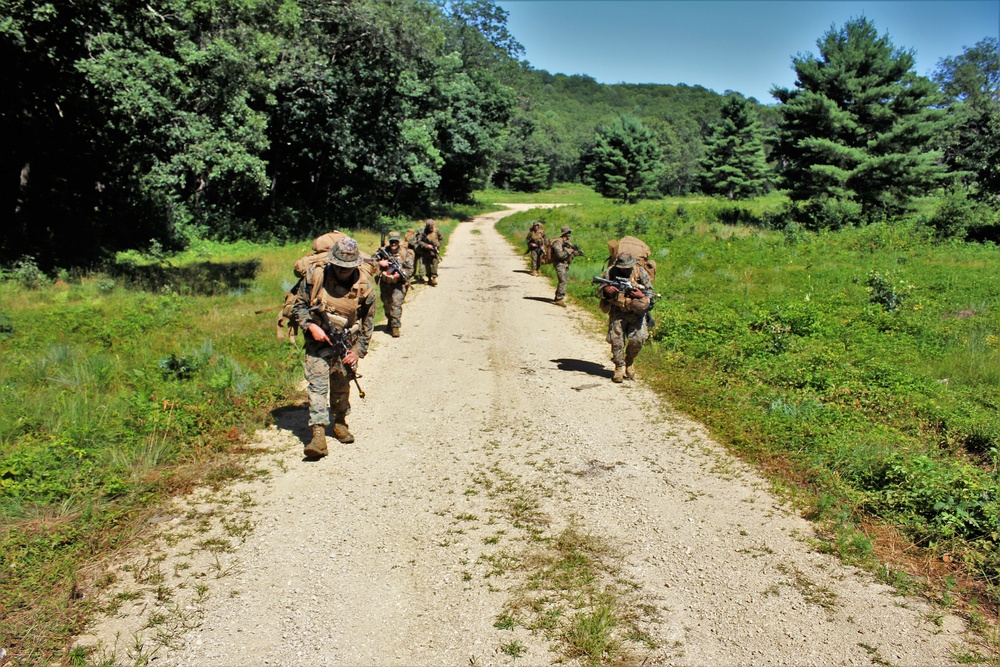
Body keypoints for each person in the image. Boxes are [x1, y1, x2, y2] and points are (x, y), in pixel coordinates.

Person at [291, 236, 377, 458]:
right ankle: (318, 435)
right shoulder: (316, 275)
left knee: (341, 383)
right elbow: (299, 306)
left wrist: (358, 352)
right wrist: (310, 326)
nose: (342, 271)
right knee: (317, 384)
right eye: (338, 266)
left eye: (347, 268)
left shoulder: (365, 285)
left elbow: (368, 322)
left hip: (345, 342)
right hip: (317, 341)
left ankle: (340, 422)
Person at [597, 253, 653, 383]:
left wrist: (640, 295)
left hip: (636, 313)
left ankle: (630, 361)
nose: (625, 270)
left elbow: (650, 292)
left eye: (627, 267)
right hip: (618, 311)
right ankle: (619, 367)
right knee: (616, 341)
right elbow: (600, 288)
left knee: (638, 339)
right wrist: (607, 290)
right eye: (622, 268)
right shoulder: (611, 271)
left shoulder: (640, 272)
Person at [378, 231, 414, 338]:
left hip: (399, 284)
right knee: (386, 304)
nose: (394, 243)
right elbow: (371, 263)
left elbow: (410, 269)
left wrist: (402, 273)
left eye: (396, 241)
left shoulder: (405, 254)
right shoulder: (382, 252)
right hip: (385, 283)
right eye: (392, 241)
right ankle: (390, 319)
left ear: (399, 242)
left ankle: (395, 327)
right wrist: (380, 263)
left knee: (396, 304)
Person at [549, 225, 583, 306]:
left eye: (570, 232)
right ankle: (559, 299)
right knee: (563, 280)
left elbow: (570, 254)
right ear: (564, 233)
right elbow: (560, 255)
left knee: (563, 280)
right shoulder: (558, 242)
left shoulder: (568, 242)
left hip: (565, 263)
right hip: (559, 263)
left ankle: (557, 296)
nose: (569, 233)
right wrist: (570, 251)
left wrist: (576, 253)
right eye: (568, 232)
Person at [414, 219, 442, 286]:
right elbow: (419, 241)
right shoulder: (424, 232)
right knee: (427, 265)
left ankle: (434, 278)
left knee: (435, 264)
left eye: (432, 227)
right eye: (430, 227)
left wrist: (438, 244)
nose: (431, 229)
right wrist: (427, 246)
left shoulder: (437, 231)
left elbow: (441, 239)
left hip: (434, 251)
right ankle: (429, 278)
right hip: (426, 252)